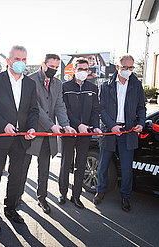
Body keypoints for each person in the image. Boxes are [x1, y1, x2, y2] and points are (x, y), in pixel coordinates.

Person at [0, 45, 39, 232]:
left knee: (17, 176)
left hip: (21, 139)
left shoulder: (30, 84)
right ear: (8, 61)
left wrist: (31, 127)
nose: (20, 63)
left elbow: (33, 110)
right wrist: (3, 125)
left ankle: (11, 208)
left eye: (24, 60)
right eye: (17, 59)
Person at [19, 54, 75, 214]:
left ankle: (41, 198)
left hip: (47, 135)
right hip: (30, 130)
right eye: (51, 67)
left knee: (44, 168)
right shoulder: (29, 80)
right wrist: (51, 125)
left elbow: (59, 106)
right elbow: (35, 106)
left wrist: (65, 125)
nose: (54, 70)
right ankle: (17, 197)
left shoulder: (58, 84)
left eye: (57, 68)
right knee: (23, 167)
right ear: (43, 64)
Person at [93, 54, 146, 212]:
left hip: (128, 132)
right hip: (110, 131)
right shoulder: (106, 86)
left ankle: (125, 196)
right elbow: (101, 109)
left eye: (131, 68)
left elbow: (141, 108)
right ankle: (100, 191)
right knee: (103, 164)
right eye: (125, 68)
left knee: (126, 167)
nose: (128, 71)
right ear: (118, 67)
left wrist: (141, 124)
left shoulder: (136, 85)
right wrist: (111, 126)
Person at [58, 57, 101, 209]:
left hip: (85, 134)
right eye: (79, 69)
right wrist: (78, 124)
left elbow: (96, 110)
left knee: (80, 165)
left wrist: (95, 126)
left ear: (89, 71)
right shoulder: (65, 87)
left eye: (85, 69)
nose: (82, 72)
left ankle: (76, 196)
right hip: (69, 131)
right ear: (74, 70)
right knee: (66, 163)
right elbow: (64, 110)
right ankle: (62, 193)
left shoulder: (93, 88)